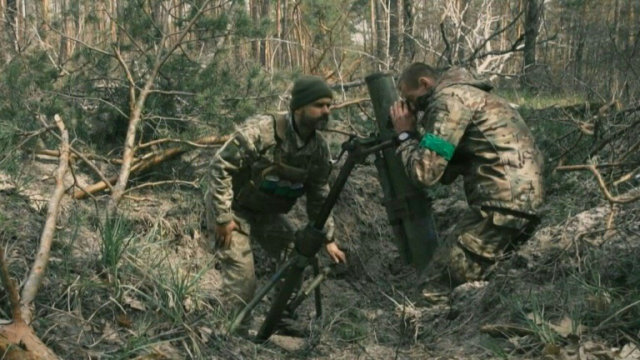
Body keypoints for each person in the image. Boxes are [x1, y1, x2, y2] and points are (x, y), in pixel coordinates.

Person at [203, 75, 347, 319]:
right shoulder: (263, 131)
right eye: (319, 105)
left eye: (328, 105)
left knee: (296, 254)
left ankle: (279, 318)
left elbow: (319, 194)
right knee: (242, 277)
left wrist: (328, 238)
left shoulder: (319, 149)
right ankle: (231, 333)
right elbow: (220, 166)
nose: (326, 111)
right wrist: (222, 216)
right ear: (299, 107)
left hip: (266, 213)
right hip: (234, 210)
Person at [389, 63, 544, 288]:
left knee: (434, 289)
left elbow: (425, 174)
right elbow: (447, 170)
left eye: (409, 98)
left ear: (424, 83)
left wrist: (405, 135)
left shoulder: (448, 101)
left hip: (500, 207)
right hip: (523, 202)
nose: (411, 107)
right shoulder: (473, 95)